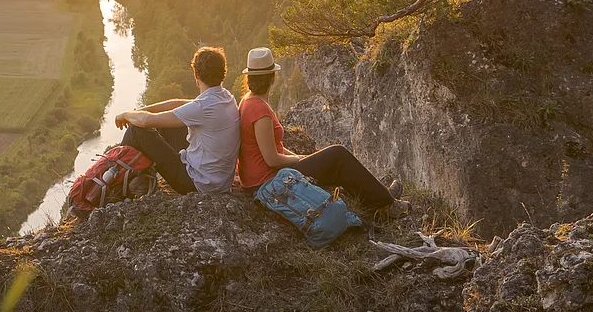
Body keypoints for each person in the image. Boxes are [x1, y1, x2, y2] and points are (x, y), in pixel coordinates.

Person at [234, 47, 396, 212]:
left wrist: (304, 158)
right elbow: (272, 160)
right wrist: (298, 159)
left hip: (260, 178)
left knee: (330, 163)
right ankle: (387, 203)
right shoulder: (260, 110)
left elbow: (274, 147)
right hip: (268, 181)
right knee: (338, 154)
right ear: (272, 78)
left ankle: (377, 198)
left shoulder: (247, 101)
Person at [113, 46, 242, 195]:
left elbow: (145, 121)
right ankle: (141, 178)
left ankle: (116, 189)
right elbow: (176, 104)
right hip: (219, 182)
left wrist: (125, 115)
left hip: (196, 184)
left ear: (196, 74)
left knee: (136, 131)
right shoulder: (226, 98)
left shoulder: (202, 107)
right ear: (223, 73)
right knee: (167, 125)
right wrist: (138, 111)